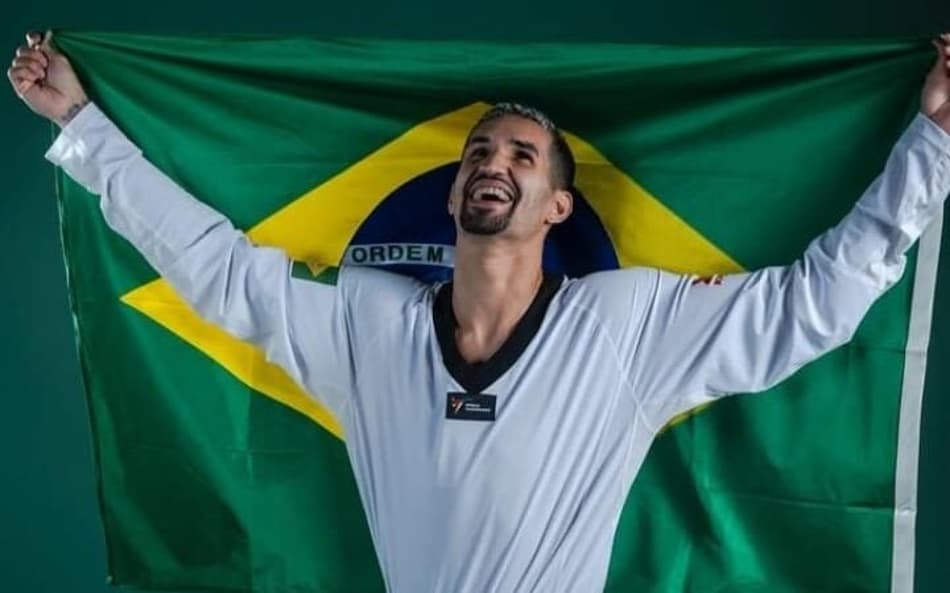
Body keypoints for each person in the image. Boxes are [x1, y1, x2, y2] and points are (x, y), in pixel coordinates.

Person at [9, 30, 950, 593]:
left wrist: (932, 140)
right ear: (454, 185)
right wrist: (85, 133)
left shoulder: (624, 327)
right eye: (477, 151)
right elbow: (213, 267)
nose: (491, 162)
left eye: (521, 157)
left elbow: (815, 301)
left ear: (557, 208)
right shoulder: (368, 328)